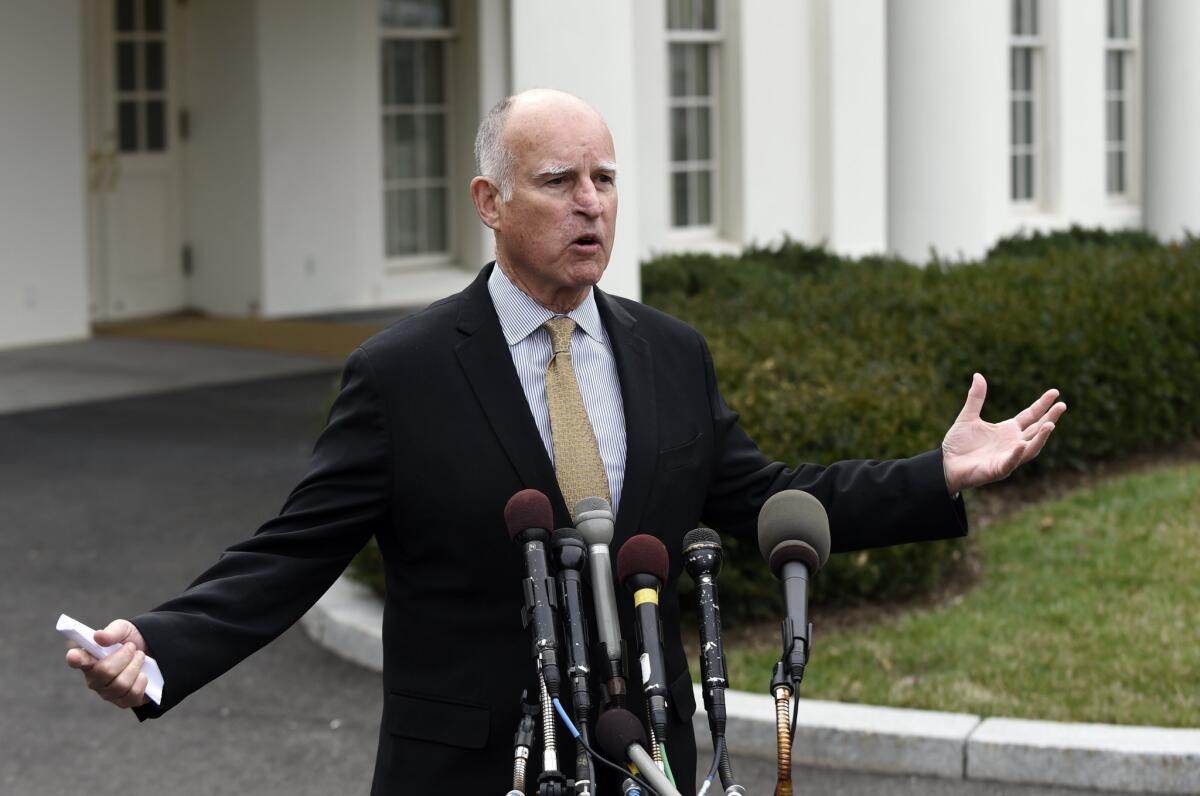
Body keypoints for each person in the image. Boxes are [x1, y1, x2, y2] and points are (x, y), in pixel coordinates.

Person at [65, 89, 1066, 793]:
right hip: (469, 764)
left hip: (648, 755)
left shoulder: (670, 355)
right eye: (559, 180)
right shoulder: (404, 372)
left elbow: (765, 496)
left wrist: (936, 474)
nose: (593, 202)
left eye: (606, 178)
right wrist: (159, 649)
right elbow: (294, 552)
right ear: (489, 202)